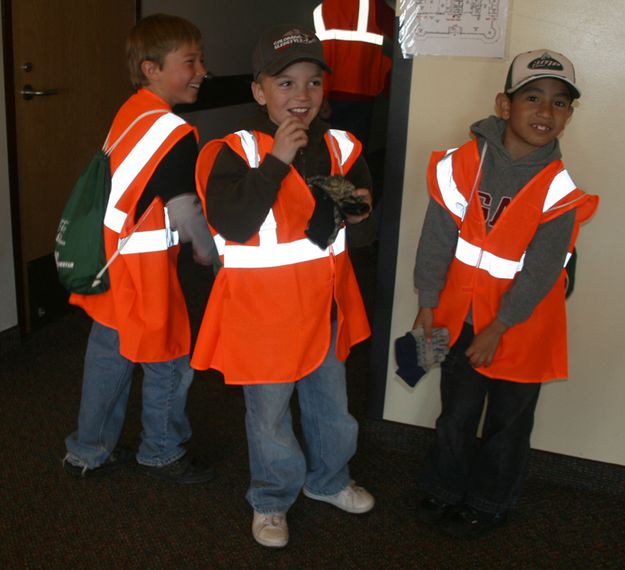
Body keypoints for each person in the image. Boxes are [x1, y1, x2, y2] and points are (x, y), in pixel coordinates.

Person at [192, 25, 377, 548]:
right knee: (269, 415)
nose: (302, 97)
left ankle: (329, 480)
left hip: (325, 305)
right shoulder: (232, 151)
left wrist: (360, 206)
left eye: (314, 84)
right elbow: (232, 222)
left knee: (330, 406)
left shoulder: (341, 145)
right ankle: (272, 499)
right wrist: (278, 160)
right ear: (259, 92)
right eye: (286, 84)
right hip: (263, 314)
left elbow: (360, 220)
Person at [412, 49, 598, 539]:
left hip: (520, 326)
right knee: (457, 413)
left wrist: (499, 328)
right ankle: (445, 486)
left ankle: (491, 500)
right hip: (462, 318)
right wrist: (427, 304)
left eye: (560, 103)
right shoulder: (462, 165)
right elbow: (436, 240)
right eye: (532, 97)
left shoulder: (560, 190)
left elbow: (539, 271)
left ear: (569, 115)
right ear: (503, 104)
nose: (545, 111)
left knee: (508, 424)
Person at [63, 14, 215, 484]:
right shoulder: (173, 133)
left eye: (201, 60)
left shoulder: (132, 111)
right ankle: (162, 451)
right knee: (168, 358)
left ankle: (88, 450)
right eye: (189, 61)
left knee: (109, 356)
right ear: (151, 69)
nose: (203, 71)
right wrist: (212, 255)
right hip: (144, 273)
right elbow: (185, 211)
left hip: (111, 261)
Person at [313, 0, 393, 153]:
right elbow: (403, 35)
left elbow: (318, 57)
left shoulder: (321, 9)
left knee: (332, 150)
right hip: (361, 93)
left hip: (328, 96)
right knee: (356, 152)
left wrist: (321, 96)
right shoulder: (373, 5)